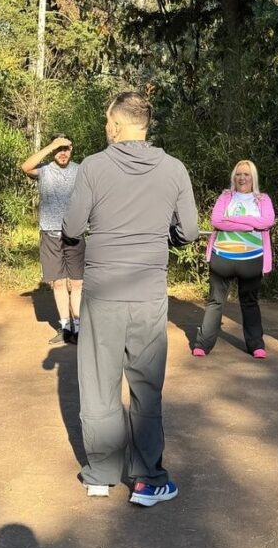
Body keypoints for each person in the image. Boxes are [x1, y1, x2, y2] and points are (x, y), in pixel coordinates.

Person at [62, 91, 199, 506]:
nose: (106, 127)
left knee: (99, 384)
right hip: (148, 294)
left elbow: (72, 225)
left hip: (103, 293)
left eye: (107, 121)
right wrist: (164, 237)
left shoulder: (93, 168)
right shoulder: (175, 170)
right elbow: (189, 232)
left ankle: (101, 474)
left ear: (118, 125)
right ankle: (147, 480)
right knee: (145, 386)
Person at [194, 160, 275, 358]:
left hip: (252, 259)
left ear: (253, 177)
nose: (242, 178)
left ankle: (256, 345)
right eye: (239, 174)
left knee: (250, 302)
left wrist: (234, 222)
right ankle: (203, 344)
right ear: (234, 177)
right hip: (222, 257)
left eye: (246, 174)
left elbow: (267, 222)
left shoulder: (262, 199)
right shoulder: (226, 196)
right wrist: (250, 225)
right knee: (215, 301)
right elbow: (216, 221)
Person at [21, 134, 84, 345]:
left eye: (65, 148)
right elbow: (25, 166)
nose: (62, 153)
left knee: (77, 283)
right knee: (58, 283)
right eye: (59, 149)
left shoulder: (80, 170)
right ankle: (65, 328)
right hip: (50, 233)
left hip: (74, 233)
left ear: (72, 149)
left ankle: (79, 328)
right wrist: (51, 146)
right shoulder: (45, 171)